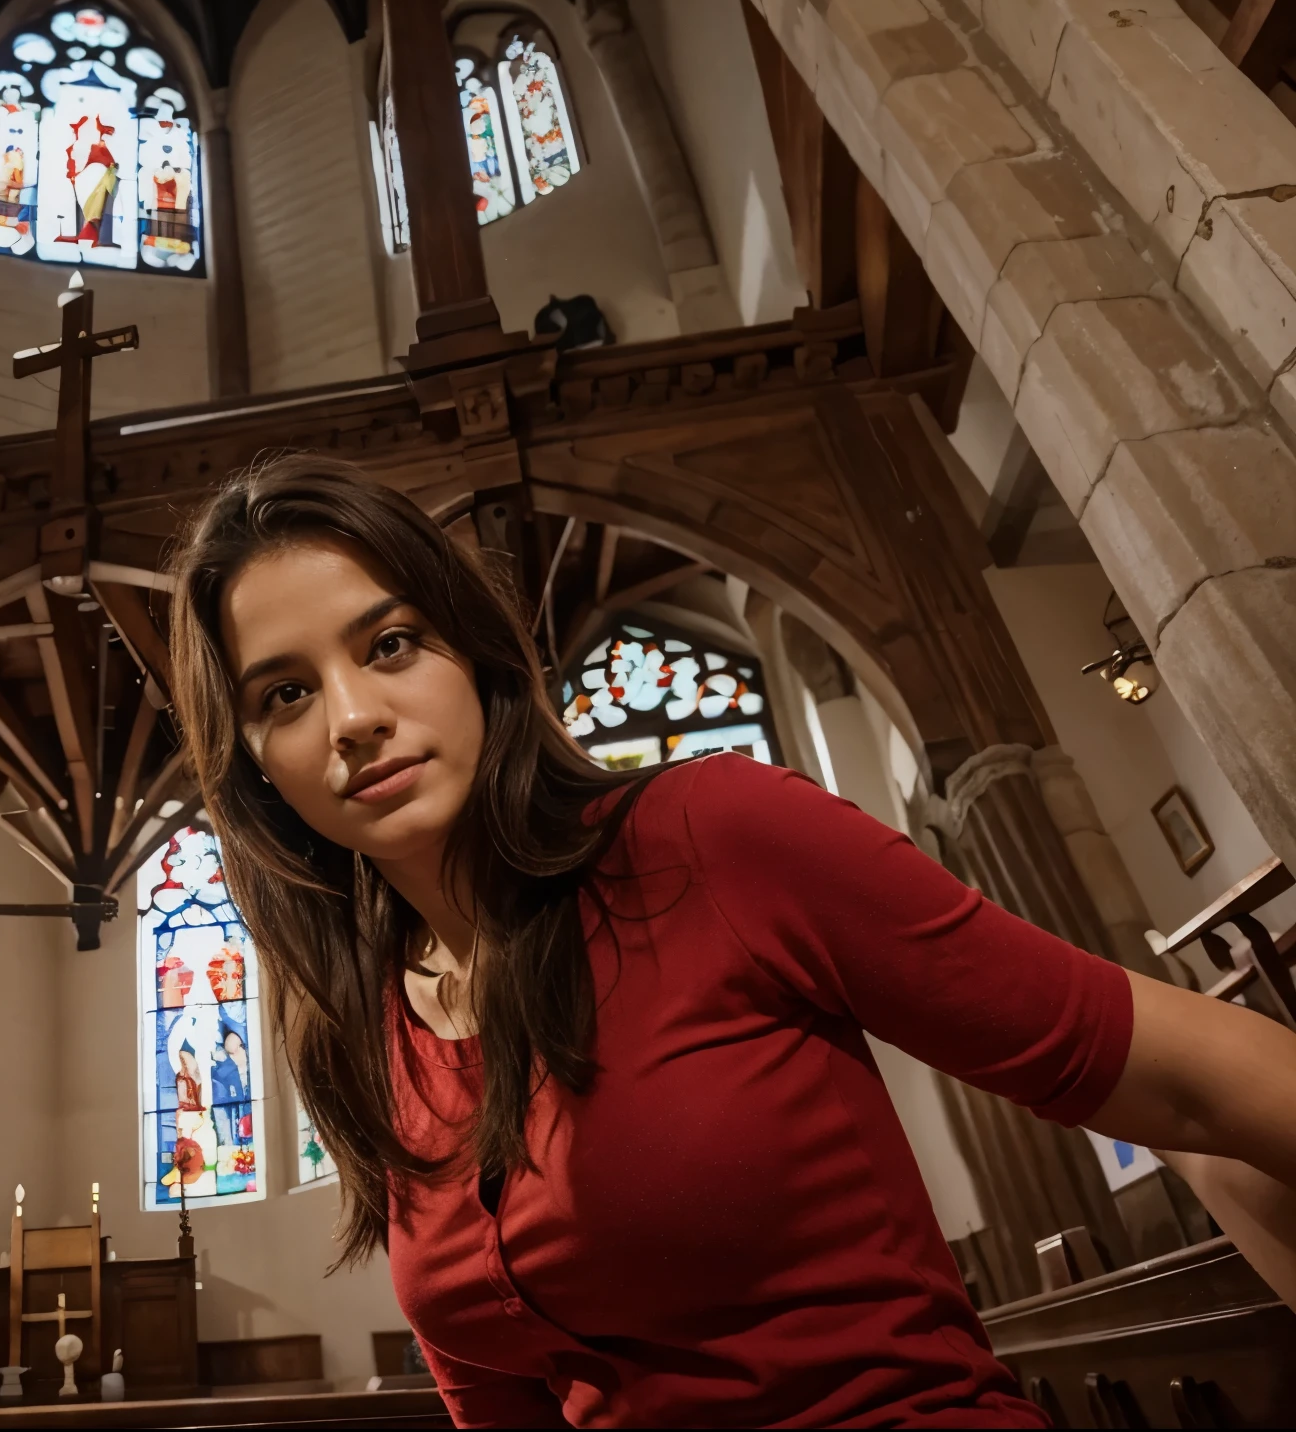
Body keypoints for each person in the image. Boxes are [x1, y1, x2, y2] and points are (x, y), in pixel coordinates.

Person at [165, 453, 1296, 1428]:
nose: (352, 715)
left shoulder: (712, 839)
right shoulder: (357, 1033)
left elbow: (1204, 1085)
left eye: (392, 642)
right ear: (256, 771)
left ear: (472, 656)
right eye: (283, 694)